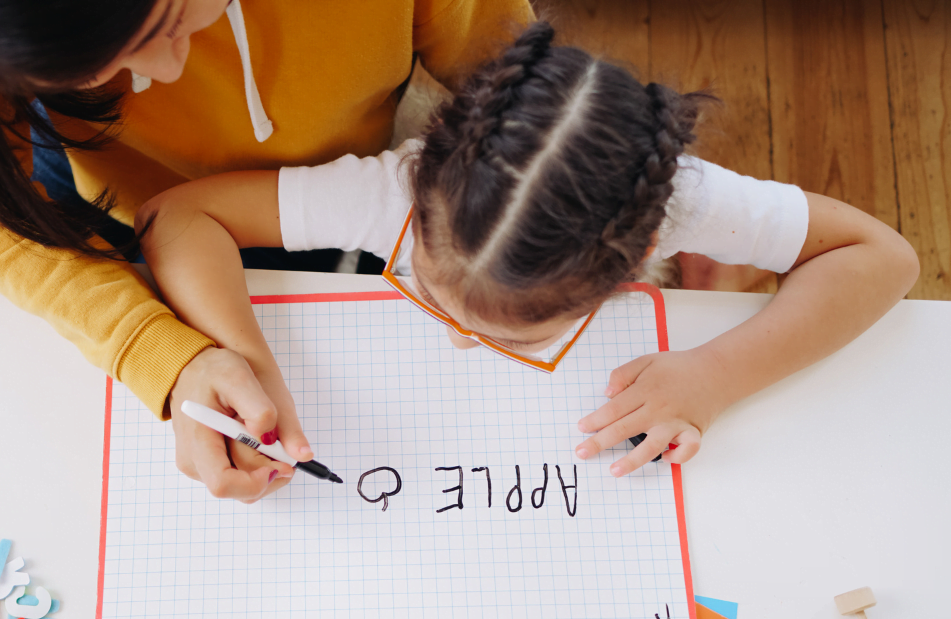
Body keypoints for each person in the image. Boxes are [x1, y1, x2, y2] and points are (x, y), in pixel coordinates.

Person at [0, 0, 536, 501]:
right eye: (109, 65)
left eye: (170, 20)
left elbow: (519, 89)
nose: (165, 72)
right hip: (95, 184)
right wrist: (160, 352)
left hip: (314, 200)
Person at [135, 22, 920, 482]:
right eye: (438, 299)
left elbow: (883, 258)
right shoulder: (393, 188)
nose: (459, 339)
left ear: (641, 253)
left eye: (509, 335)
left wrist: (719, 372)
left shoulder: (686, 200)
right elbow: (176, 216)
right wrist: (247, 359)